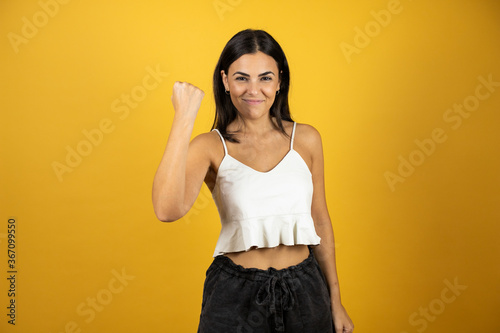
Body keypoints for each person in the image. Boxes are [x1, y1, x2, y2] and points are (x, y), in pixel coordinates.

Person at [152, 29, 353, 333]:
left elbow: (320, 220)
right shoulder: (210, 146)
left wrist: (336, 301)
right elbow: (167, 210)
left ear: (280, 80)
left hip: (305, 290)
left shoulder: (307, 139)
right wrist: (184, 118)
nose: (254, 90)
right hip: (235, 295)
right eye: (242, 78)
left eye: (265, 78)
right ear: (225, 81)